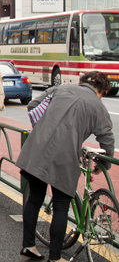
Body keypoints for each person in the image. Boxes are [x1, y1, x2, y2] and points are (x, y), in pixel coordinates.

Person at [17, 71, 115, 262]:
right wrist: (104, 163)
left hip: (37, 149)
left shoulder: (60, 89)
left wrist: (44, 128)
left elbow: (33, 105)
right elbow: (107, 138)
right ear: (101, 90)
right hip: (65, 157)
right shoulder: (97, 105)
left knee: (35, 199)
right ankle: (55, 257)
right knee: (61, 206)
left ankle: (28, 246)